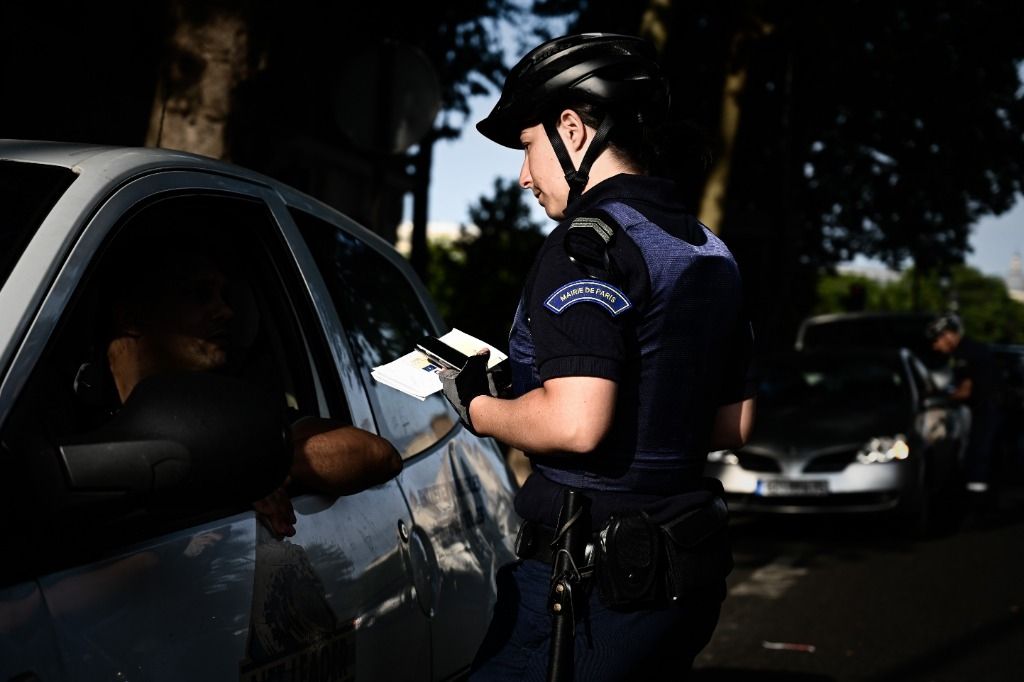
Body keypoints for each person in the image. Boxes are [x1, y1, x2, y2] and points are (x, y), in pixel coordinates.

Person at [439, 33, 757, 681]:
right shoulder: (709, 250)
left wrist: (478, 406)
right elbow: (736, 425)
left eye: (527, 148)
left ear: (572, 129)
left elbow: (574, 424)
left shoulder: (585, 247)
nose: (524, 176)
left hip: (584, 592)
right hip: (683, 582)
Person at [91, 217, 403, 537]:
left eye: (224, 295)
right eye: (200, 295)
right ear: (131, 317)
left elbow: (379, 456)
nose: (226, 311)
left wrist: (251, 464)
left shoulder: (230, 406)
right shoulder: (64, 414)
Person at [926, 313, 1001, 512]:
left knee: (978, 455)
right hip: (988, 409)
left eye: (937, 339)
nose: (935, 346)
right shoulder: (973, 350)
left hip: (986, 411)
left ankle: (978, 508)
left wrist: (941, 399)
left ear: (949, 335)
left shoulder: (965, 354)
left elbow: (966, 390)